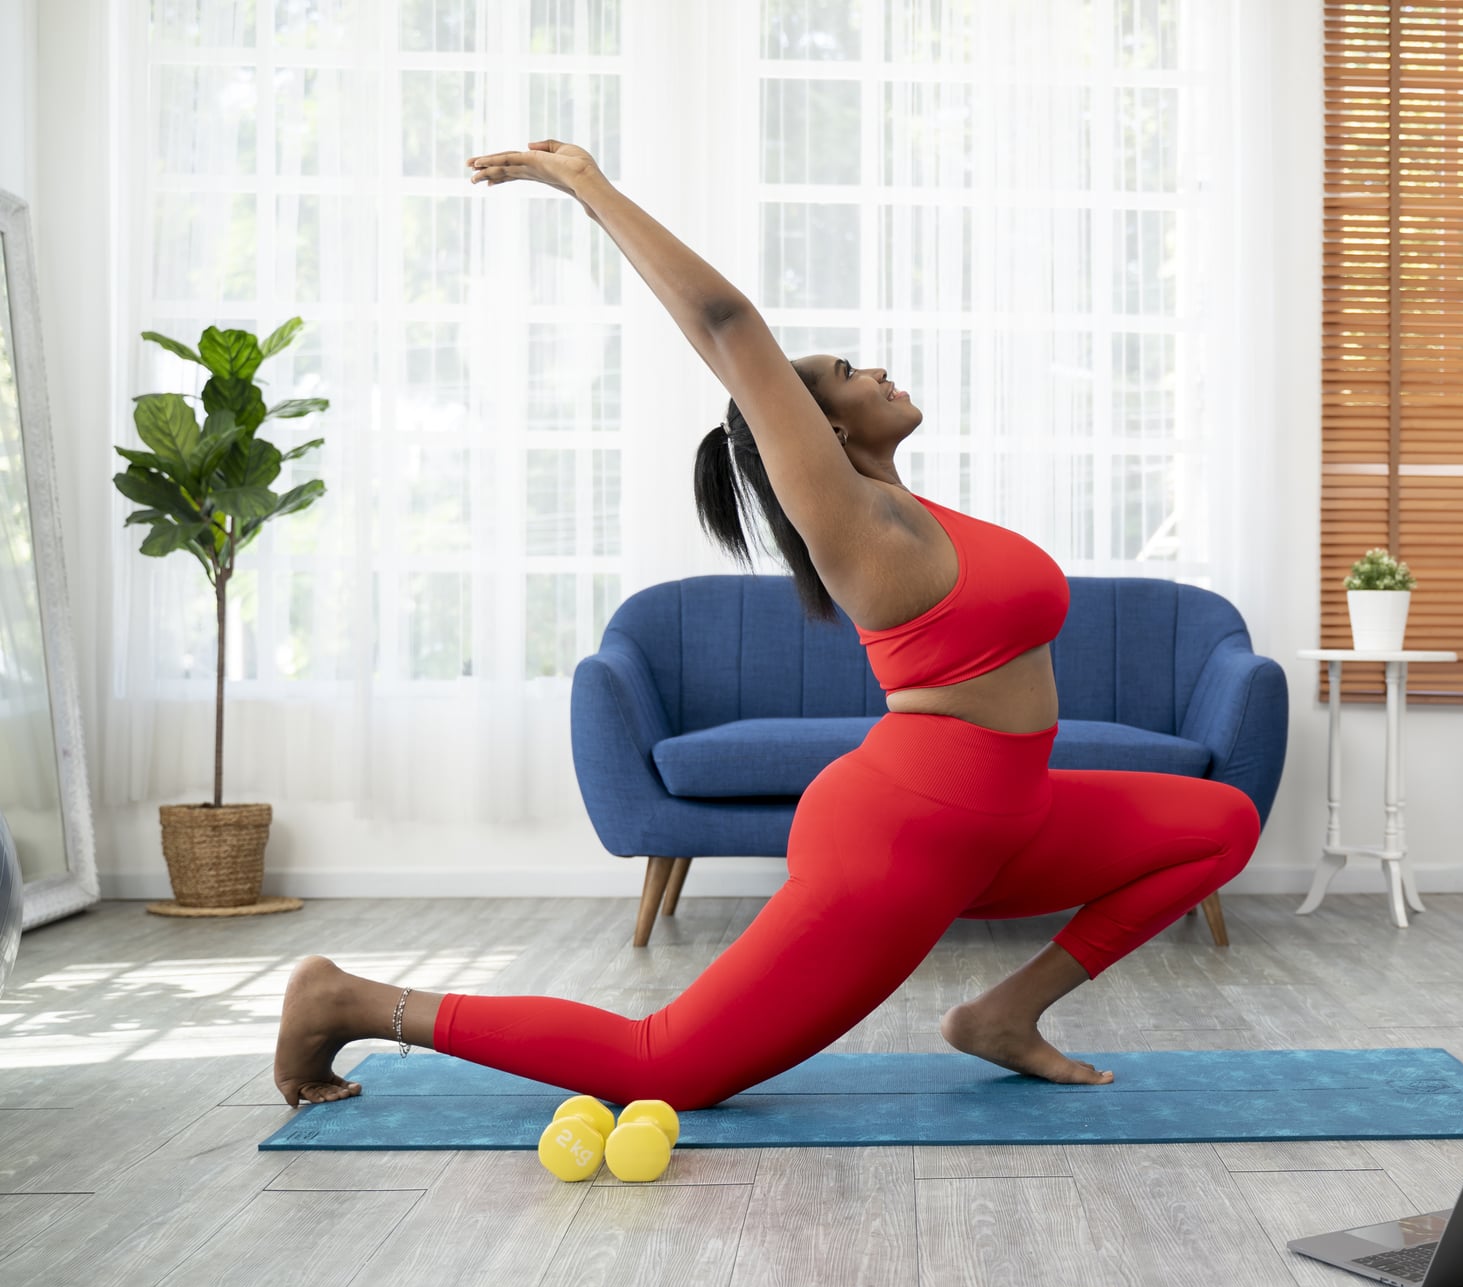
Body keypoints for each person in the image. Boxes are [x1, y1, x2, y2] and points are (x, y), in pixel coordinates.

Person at [271, 139, 1262, 1110]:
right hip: (909, 837)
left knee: (1218, 824)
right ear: (816, 427)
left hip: (1011, 817)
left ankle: (1002, 1015)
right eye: (844, 371)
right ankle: (351, 1001)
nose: (874, 371)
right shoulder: (852, 520)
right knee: (667, 1070)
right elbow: (722, 322)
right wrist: (585, 186)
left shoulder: (918, 511)